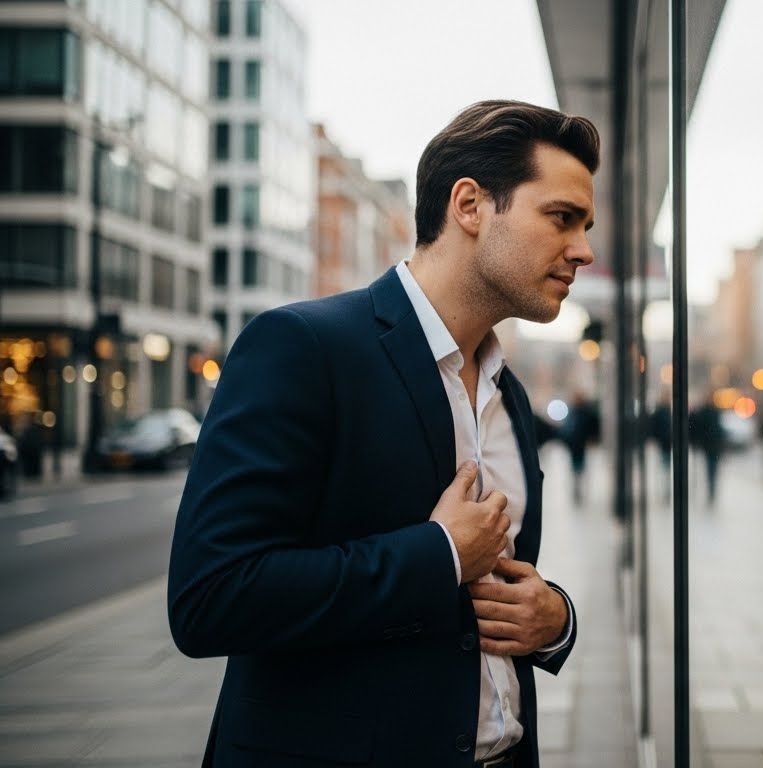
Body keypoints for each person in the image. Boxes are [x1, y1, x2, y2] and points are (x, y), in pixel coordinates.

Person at [168, 100, 600, 767]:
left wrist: (554, 620)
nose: (584, 250)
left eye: (585, 226)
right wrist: (438, 554)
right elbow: (211, 597)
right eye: (561, 218)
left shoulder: (508, 393)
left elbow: (497, 597)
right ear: (470, 206)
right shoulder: (303, 347)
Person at [558, 391, 600, 505]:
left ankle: (580, 490)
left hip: (581, 445)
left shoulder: (585, 413)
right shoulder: (573, 412)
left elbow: (593, 427)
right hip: (574, 445)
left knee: (580, 469)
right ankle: (577, 491)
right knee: (576, 469)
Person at [687, 392, 726, 506]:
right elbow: (698, 427)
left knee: (712, 469)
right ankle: (711, 490)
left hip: (712, 445)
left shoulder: (712, 411)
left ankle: (711, 491)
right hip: (709, 445)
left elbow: (715, 429)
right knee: (711, 469)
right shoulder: (707, 412)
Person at [647, 393, 672, 499]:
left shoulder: (666, 411)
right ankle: (664, 490)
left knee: (665, 467)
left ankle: (666, 490)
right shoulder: (661, 412)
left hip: (666, 443)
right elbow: (654, 427)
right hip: (664, 442)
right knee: (664, 467)